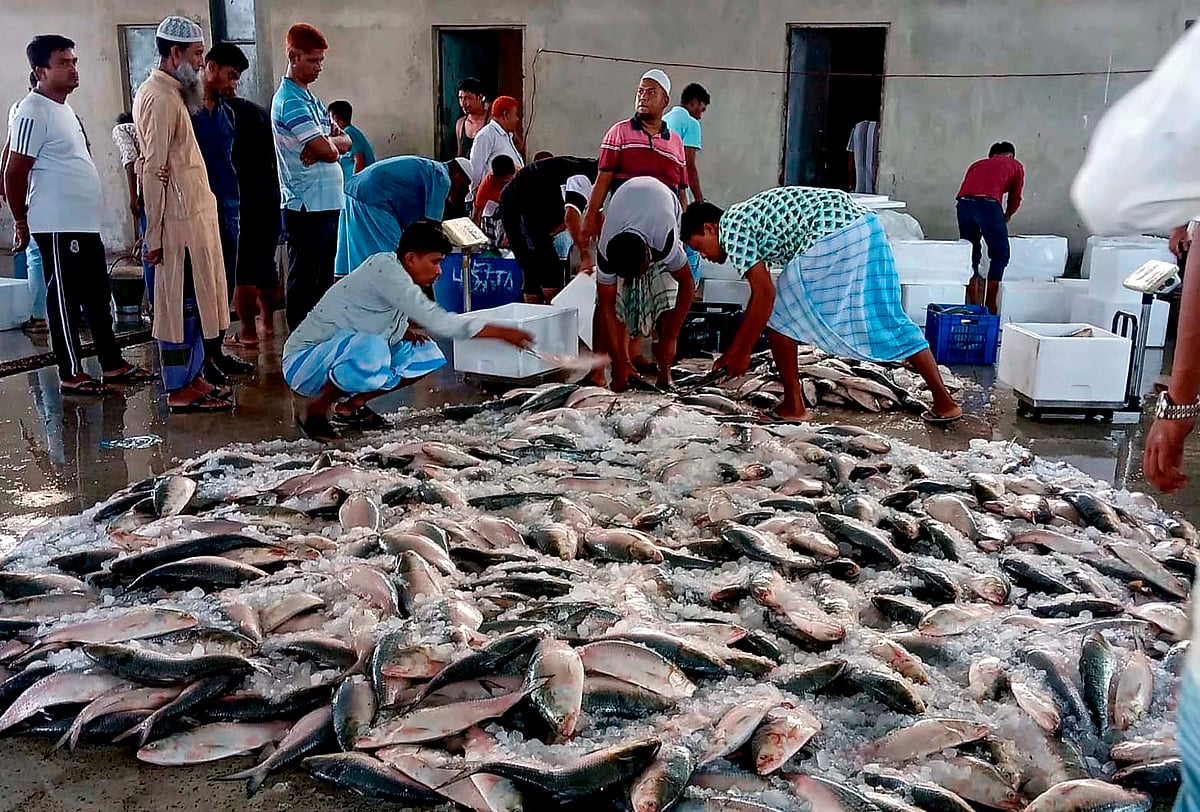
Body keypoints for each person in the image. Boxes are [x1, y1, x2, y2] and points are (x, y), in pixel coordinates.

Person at [681, 188, 962, 424]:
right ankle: (944, 403)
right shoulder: (747, 217)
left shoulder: (731, 227)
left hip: (833, 233)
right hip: (866, 227)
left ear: (710, 228)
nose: (703, 255)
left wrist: (741, 353)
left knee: (780, 318)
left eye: (699, 246)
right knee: (887, 318)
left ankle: (794, 406)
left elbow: (764, 295)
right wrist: (735, 352)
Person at [284, 220, 533, 442]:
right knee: (372, 348)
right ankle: (315, 410)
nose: (439, 271)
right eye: (435, 262)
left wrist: (402, 331)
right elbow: (439, 321)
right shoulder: (385, 270)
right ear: (411, 258)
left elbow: (374, 314)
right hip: (303, 364)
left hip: (340, 357)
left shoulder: (400, 273)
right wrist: (501, 332)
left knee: (426, 352)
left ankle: (351, 407)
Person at [4, 35, 152, 395]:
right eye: (63, 63)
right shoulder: (32, 110)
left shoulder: (63, 109)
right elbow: (13, 171)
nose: (73, 68)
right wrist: (21, 221)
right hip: (57, 225)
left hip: (82, 224)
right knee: (64, 300)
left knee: (97, 296)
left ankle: (111, 364)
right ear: (40, 70)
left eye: (74, 61)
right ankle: (70, 372)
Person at [134, 16, 236, 412]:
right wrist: (153, 237)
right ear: (174, 53)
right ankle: (178, 387)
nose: (200, 63)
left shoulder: (173, 93)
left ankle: (193, 378)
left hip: (192, 219)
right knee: (179, 307)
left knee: (195, 304)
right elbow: (153, 168)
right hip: (174, 224)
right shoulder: (158, 98)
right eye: (196, 55)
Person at [272, 23, 350, 330]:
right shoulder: (290, 101)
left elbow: (345, 141)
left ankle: (317, 337)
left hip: (326, 202)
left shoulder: (310, 98)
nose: (319, 67)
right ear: (293, 57)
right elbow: (328, 151)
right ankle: (299, 341)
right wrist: (326, 147)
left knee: (322, 281)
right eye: (313, 60)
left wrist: (326, 144)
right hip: (306, 204)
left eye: (321, 60)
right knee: (305, 280)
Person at [594, 177, 695, 391]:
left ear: (648, 254)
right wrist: (618, 364)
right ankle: (620, 366)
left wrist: (671, 337)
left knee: (667, 299)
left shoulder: (664, 239)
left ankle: (665, 371)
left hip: (662, 204)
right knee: (613, 303)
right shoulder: (605, 252)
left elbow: (687, 285)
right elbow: (607, 308)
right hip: (627, 204)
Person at [193, 41, 255, 383]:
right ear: (211, 67)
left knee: (223, 282)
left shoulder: (227, 113)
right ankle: (200, 357)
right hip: (197, 207)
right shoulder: (187, 110)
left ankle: (216, 351)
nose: (234, 84)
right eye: (231, 76)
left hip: (228, 205)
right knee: (201, 285)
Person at [582, 69, 688, 244]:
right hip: (625, 231)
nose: (643, 97)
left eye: (651, 92)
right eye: (640, 92)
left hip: (664, 234)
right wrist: (591, 215)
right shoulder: (619, 132)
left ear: (665, 101)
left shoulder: (675, 143)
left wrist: (682, 234)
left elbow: (681, 193)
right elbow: (603, 180)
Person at [334, 155, 472, 278]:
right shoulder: (442, 177)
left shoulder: (430, 168)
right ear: (459, 174)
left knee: (351, 259)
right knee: (392, 260)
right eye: (464, 185)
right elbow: (431, 225)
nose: (462, 190)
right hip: (374, 198)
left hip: (353, 191)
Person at [499, 155, 597, 304]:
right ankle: (554, 312)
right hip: (519, 206)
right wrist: (585, 256)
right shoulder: (583, 178)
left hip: (537, 210)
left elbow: (595, 217)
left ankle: (545, 312)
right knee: (544, 267)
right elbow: (571, 218)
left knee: (539, 266)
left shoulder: (594, 179)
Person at [225, 93, 282, 346]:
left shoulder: (223, 114)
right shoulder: (259, 111)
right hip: (269, 193)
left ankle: (247, 332)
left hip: (242, 195)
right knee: (266, 262)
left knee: (244, 270)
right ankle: (268, 323)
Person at [956, 141, 1024, 315]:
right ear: (1011, 156)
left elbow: (968, 188)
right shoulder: (1015, 165)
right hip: (988, 204)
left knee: (971, 253)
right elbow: (1015, 197)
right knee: (1000, 254)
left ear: (992, 155)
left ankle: (972, 304)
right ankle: (990, 306)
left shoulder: (977, 164)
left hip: (964, 203)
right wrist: (1007, 215)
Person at [2, 71, 47, 333]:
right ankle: (37, 311)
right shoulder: (39, 109)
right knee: (34, 252)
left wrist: (4, 182)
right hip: (38, 191)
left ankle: (38, 314)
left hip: (34, 192)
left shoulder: (23, 109)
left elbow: (9, 150)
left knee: (34, 253)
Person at [110, 111, 155, 312]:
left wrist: (133, 197)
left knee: (149, 250)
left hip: (147, 189)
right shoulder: (147, 128)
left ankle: (154, 302)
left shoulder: (121, 130)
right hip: (164, 185)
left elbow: (129, 160)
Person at [467, 95, 523, 204]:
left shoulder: (506, 135)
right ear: (505, 115)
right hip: (493, 206)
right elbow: (475, 171)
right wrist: (476, 198)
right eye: (515, 115)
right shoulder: (486, 135)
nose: (517, 119)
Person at [662, 82, 709, 204]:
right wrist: (699, 201)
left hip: (656, 185)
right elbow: (689, 165)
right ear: (694, 102)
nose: (700, 116)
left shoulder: (663, 119)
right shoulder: (691, 123)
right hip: (676, 189)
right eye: (702, 110)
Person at [471, 154, 517, 243]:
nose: (506, 187)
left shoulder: (522, 179)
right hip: (495, 209)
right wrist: (472, 240)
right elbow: (476, 215)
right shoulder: (486, 185)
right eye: (503, 183)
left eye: (509, 182)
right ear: (494, 178)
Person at [327, 100, 375, 180]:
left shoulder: (349, 133)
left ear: (335, 118)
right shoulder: (352, 131)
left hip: (358, 183)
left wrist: (354, 182)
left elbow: (359, 160)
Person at [455, 77, 488, 159]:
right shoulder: (460, 124)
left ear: (479, 97)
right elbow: (460, 155)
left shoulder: (491, 121)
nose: (463, 103)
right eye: (460, 98)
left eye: (468, 98)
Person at [847, 120, 880, 195]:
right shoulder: (878, 130)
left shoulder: (857, 129)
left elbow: (850, 159)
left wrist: (851, 185)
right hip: (874, 185)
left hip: (860, 185)